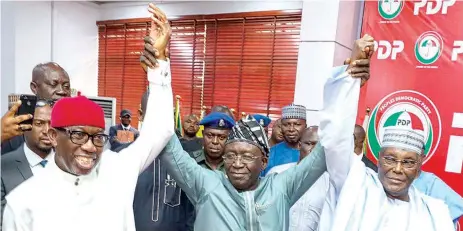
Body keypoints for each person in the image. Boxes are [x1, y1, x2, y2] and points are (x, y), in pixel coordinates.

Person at [156, 43, 372, 229]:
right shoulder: (207, 184)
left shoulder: (281, 187)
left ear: (264, 161)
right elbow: (169, 145)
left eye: (247, 156)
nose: (237, 164)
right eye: (231, 156)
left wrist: (348, 82)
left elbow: (329, 144)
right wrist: (159, 66)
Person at [2, 4, 174, 231]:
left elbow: (160, 130)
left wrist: (159, 62)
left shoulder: (115, 170)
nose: (90, 147)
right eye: (78, 135)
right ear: (53, 136)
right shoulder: (23, 202)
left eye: (97, 137)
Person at [317, 34, 454, 231]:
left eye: (408, 162)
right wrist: (350, 78)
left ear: (419, 165)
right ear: (379, 158)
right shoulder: (355, 184)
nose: (397, 169)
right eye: (390, 159)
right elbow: (335, 137)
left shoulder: (434, 212)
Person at [127, 91, 195, 231]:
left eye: (165, 114)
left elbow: (190, 210)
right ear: (141, 115)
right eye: (154, 113)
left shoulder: (184, 159)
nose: (160, 120)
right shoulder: (125, 158)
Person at [1, 101, 54, 224]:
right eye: (39, 123)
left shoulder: (69, 166)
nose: (47, 130)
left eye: (52, 124)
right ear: (25, 126)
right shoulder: (3, 167)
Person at [1, 62, 71, 155]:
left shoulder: (73, 124)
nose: (62, 91)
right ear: (34, 87)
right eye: (53, 85)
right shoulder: (16, 124)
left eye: (66, 86)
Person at [289, 126, 330, 231]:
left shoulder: (331, 182)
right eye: (309, 143)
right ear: (299, 145)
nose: (314, 150)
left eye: (319, 146)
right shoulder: (278, 173)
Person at [262, 103, 307, 176]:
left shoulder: (313, 153)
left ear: (305, 126)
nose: (291, 129)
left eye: (297, 124)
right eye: (286, 125)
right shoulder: (270, 154)